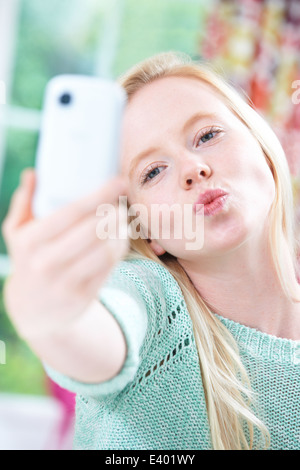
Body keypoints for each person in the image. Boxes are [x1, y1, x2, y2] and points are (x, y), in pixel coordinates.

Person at [2, 52, 300, 451]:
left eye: (207, 135)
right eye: (153, 172)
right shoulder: (152, 300)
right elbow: (93, 333)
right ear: (147, 232)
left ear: (263, 146)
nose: (193, 169)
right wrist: (45, 311)